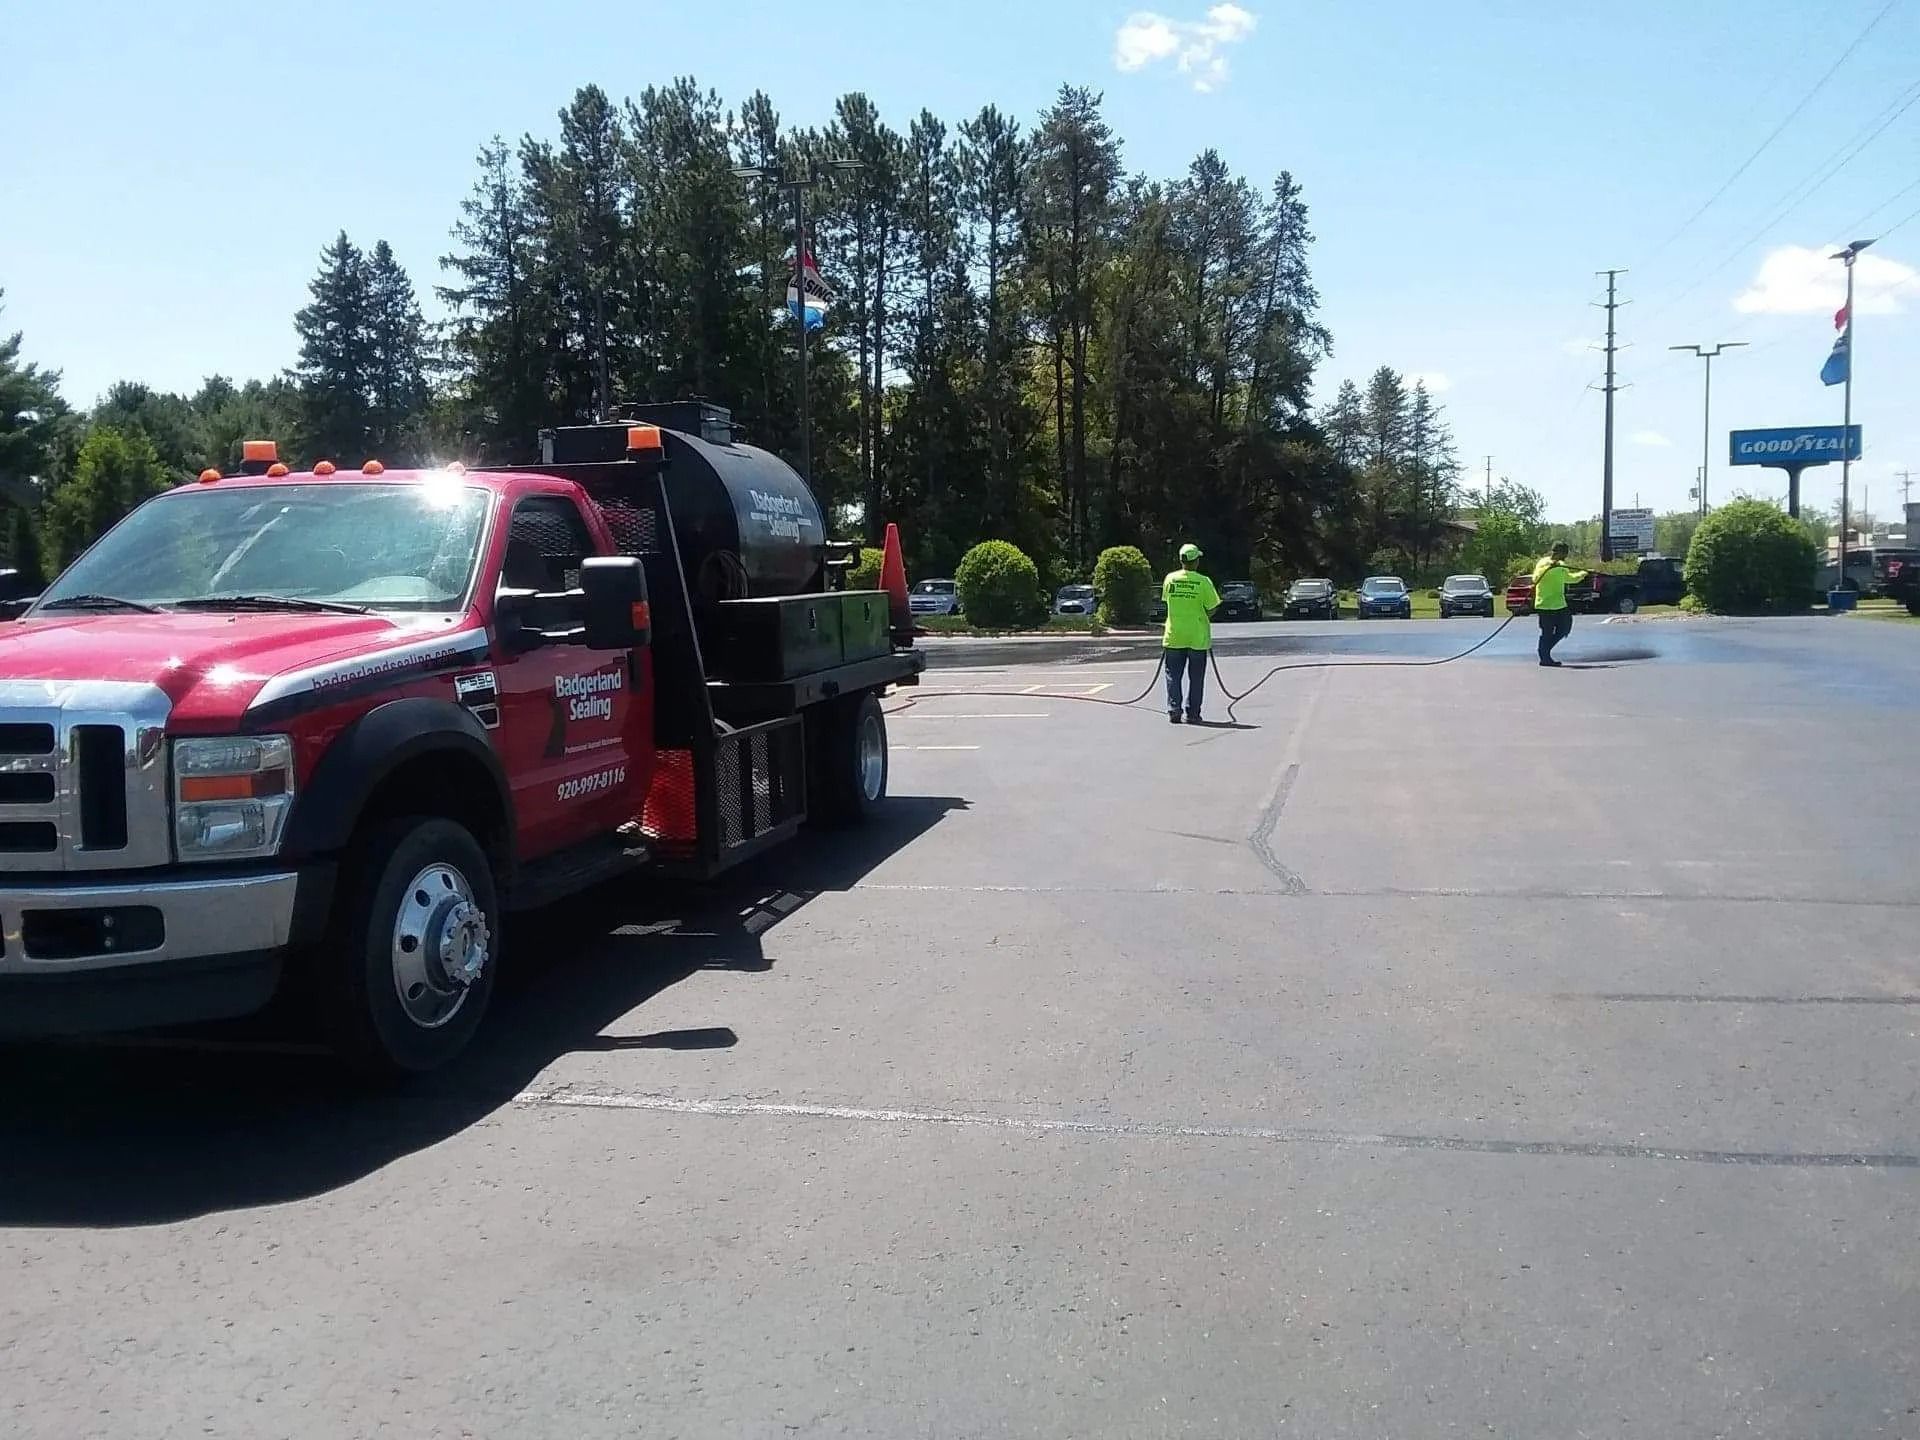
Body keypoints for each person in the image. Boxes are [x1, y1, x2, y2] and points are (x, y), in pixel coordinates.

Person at [1161, 542, 1221, 722]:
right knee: (1196, 677)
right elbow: (1212, 607)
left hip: (1174, 635)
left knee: (1173, 675)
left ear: (1181, 561)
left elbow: (1167, 601)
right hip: (1197, 637)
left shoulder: (1170, 579)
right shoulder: (1203, 581)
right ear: (1196, 562)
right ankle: (1193, 713)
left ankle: (1174, 710)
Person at [1531, 542, 1588, 667]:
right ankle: (1544, 657)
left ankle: (1545, 650)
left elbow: (1569, 579)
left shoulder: (1562, 565)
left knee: (1565, 629)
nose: (1565, 556)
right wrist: (1548, 567)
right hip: (1545, 604)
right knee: (1547, 632)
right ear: (1556, 552)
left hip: (1559, 603)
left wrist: (1583, 574)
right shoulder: (1543, 563)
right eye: (1564, 553)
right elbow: (1535, 579)